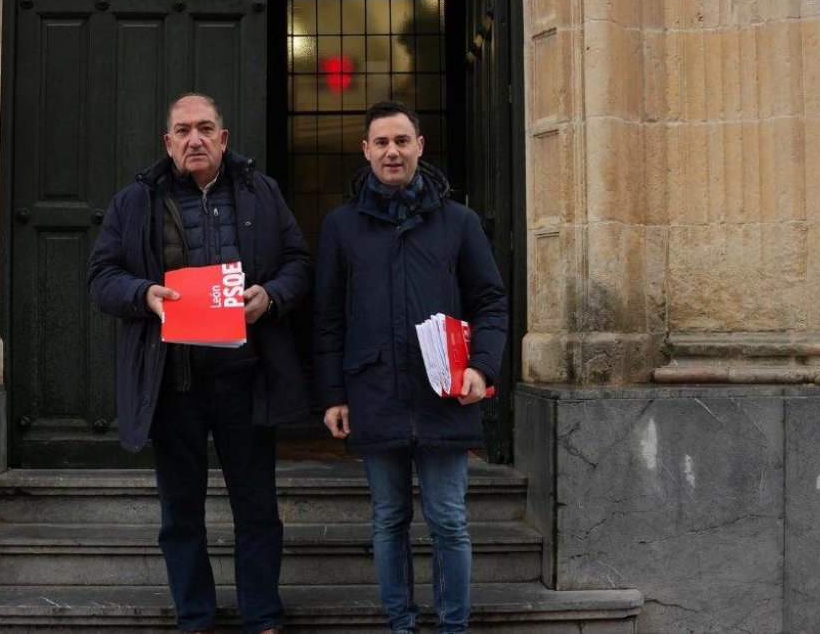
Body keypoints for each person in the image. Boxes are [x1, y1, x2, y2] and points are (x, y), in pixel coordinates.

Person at [87, 93, 311, 634]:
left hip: (244, 379)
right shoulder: (134, 202)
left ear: (224, 137)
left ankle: (262, 617)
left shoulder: (261, 192)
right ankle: (196, 618)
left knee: (257, 508)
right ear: (168, 143)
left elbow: (299, 263)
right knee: (180, 513)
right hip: (174, 384)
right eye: (183, 131)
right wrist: (145, 295)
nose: (195, 139)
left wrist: (272, 296)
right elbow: (101, 278)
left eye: (205, 128)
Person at [313, 100, 508, 633]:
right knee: (388, 520)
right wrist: (333, 394)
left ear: (421, 146)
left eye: (402, 141)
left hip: (444, 394)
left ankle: (452, 627)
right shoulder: (341, 226)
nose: (392, 152)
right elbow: (327, 317)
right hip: (374, 392)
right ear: (366, 151)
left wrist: (484, 369)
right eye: (381, 142)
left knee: (449, 521)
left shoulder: (459, 223)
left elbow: (490, 302)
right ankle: (401, 624)